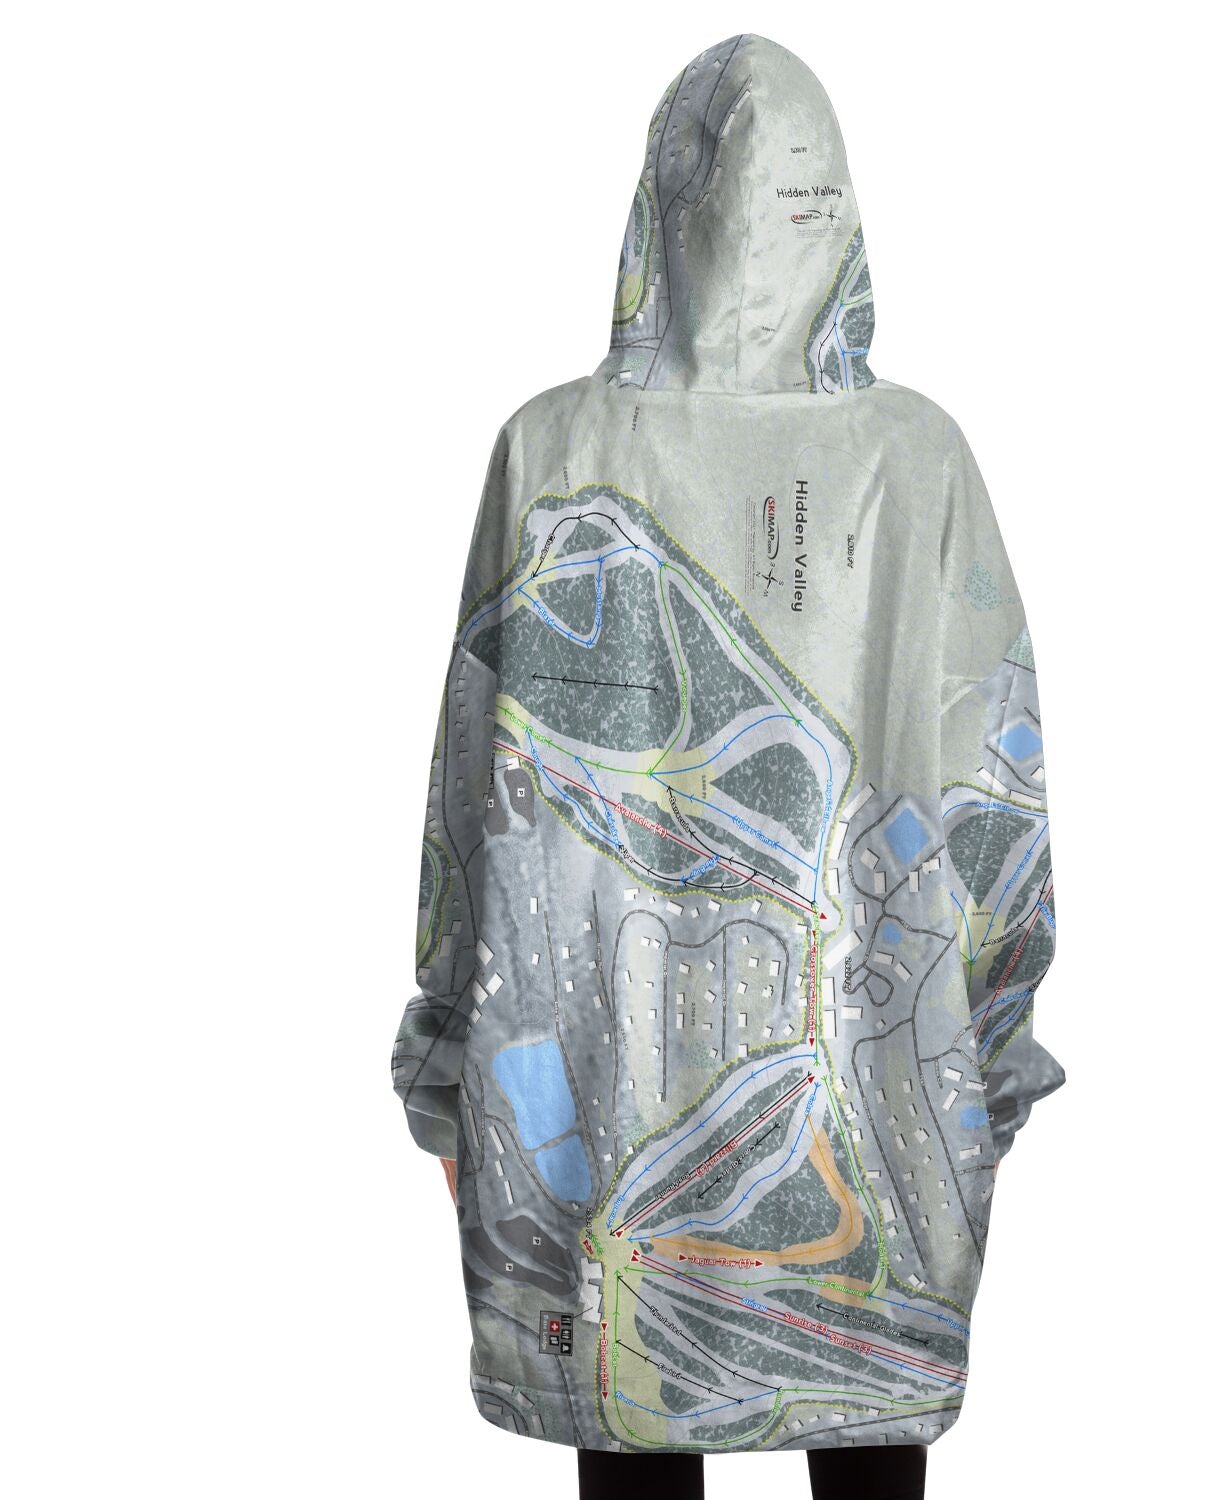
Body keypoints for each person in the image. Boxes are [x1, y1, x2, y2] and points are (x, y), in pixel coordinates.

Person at [391, 33, 1064, 1500]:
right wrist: (992, 1062)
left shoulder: (552, 447)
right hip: (875, 1107)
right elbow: (993, 804)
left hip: (599, 1091)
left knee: (631, 1398)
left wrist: (445, 1067)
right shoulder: (918, 459)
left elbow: (468, 801)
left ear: (657, 209)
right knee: (866, 1418)